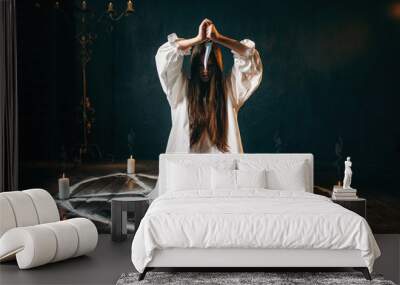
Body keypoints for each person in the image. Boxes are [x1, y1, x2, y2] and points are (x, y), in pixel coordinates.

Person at [155, 19, 263, 154]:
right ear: (194, 66)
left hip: (223, 170)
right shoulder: (180, 90)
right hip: (185, 169)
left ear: (217, 67)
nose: (205, 71)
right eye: (200, 65)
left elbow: (249, 57)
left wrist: (219, 38)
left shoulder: (229, 91)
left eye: (210, 66)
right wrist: (197, 39)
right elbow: (165, 56)